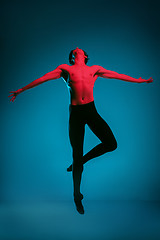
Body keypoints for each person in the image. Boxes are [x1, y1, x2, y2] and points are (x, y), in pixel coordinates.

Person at [8, 47, 153, 214]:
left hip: (91, 111)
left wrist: (138, 81)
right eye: (74, 50)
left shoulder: (94, 69)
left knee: (111, 144)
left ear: (84, 55)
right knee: (76, 154)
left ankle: (81, 161)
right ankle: (77, 195)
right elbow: (43, 79)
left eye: (80, 49)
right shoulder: (65, 69)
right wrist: (21, 90)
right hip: (76, 114)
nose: (77, 48)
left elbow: (117, 75)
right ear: (72, 56)